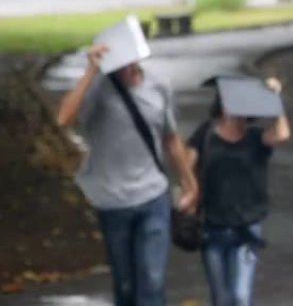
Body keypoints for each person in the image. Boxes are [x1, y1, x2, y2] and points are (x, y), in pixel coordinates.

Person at [55, 43, 198, 306]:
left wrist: (189, 182)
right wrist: (90, 71)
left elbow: (170, 139)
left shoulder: (158, 86)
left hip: (153, 196)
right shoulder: (98, 89)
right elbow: (64, 118)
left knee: (152, 282)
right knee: (125, 285)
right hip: (113, 201)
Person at [186, 77, 291, 306]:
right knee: (221, 298)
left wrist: (274, 99)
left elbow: (282, 134)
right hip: (213, 226)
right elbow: (186, 164)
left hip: (246, 227)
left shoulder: (255, 138)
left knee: (240, 297)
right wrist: (190, 191)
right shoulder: (206, 134)